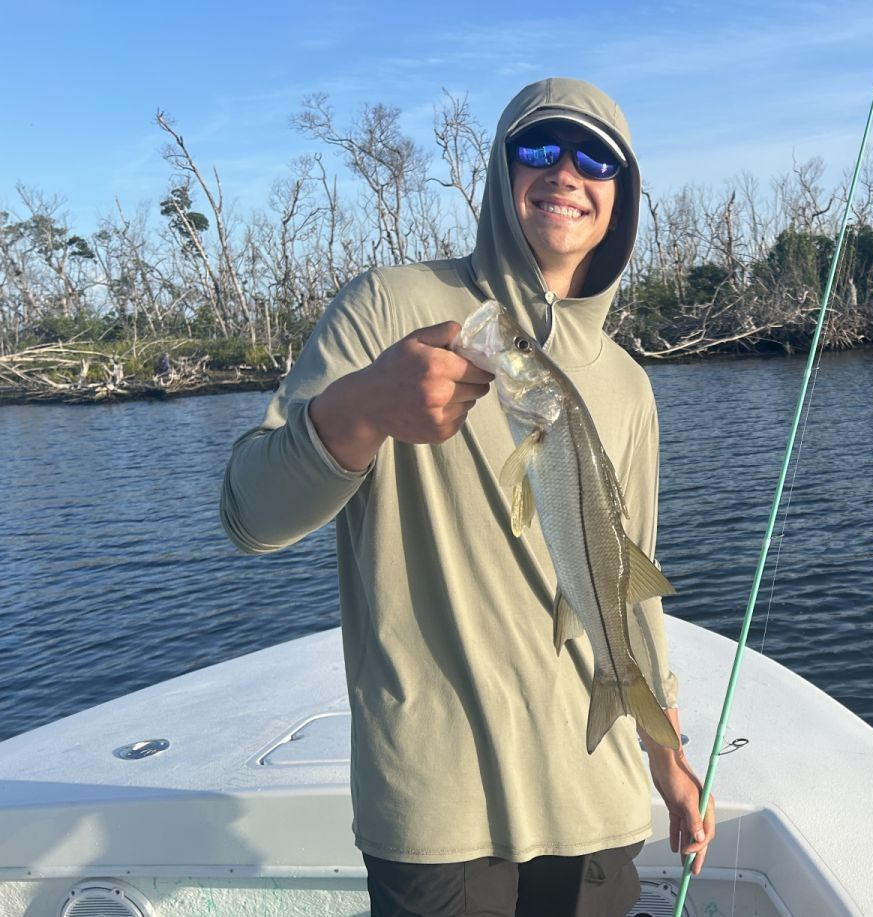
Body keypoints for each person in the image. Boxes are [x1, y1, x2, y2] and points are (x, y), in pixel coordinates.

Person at [220, 77, 714, 917]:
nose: (566, 170)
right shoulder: (388, 306)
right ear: (500, 168)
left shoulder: (630, 387)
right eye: (539, 147)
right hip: (441, 814)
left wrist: (664, 751)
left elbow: (633, 582)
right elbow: (249, 516)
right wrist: (364, 407)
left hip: (598, 801)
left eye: (596, 157)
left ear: (620, 195)